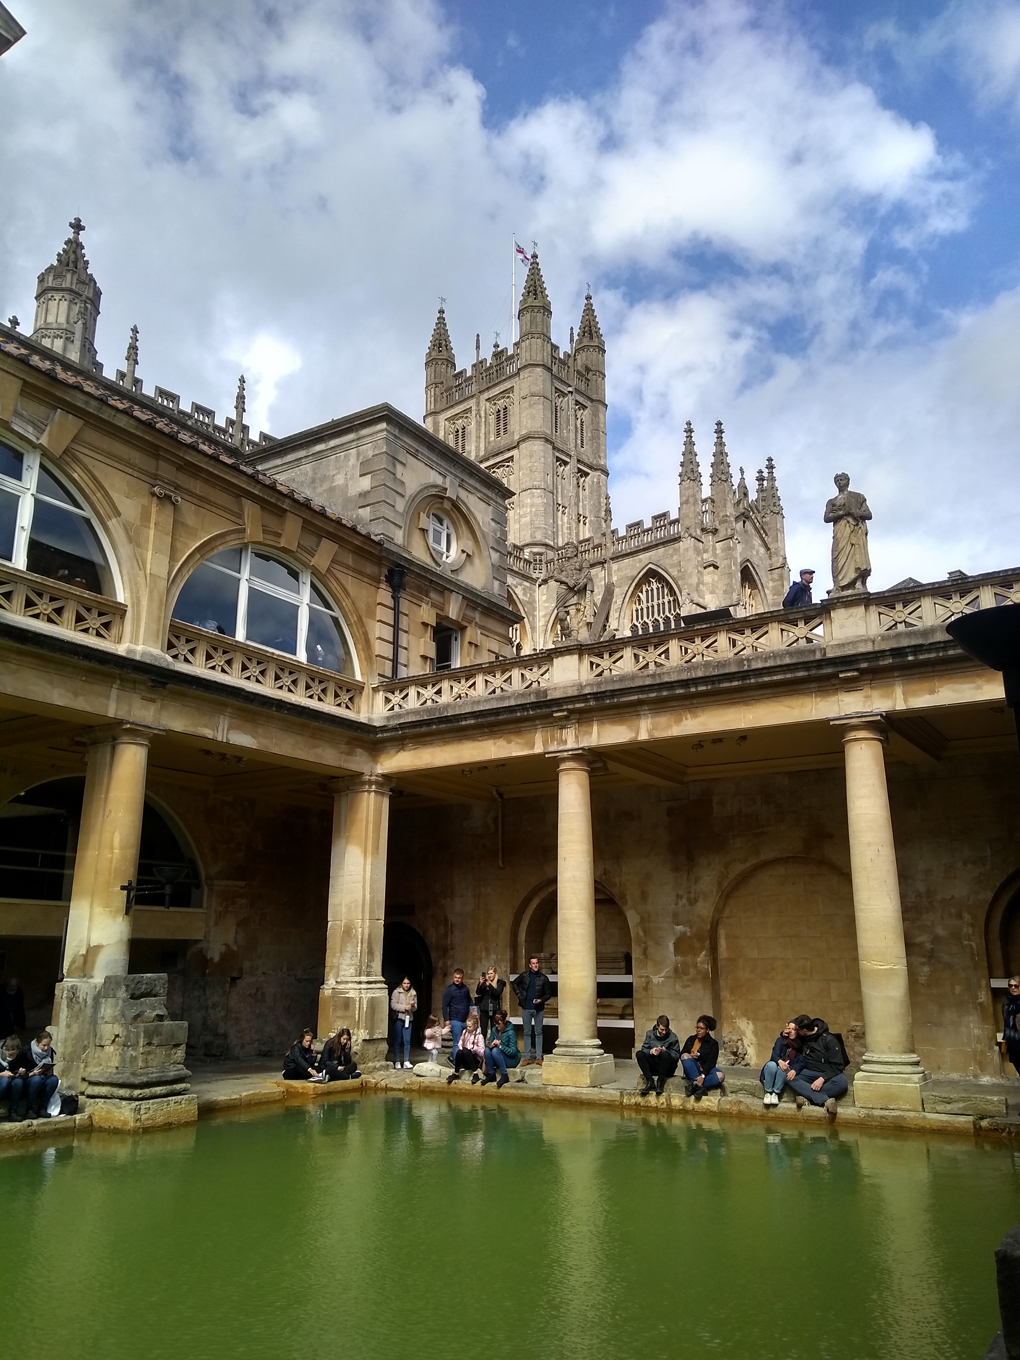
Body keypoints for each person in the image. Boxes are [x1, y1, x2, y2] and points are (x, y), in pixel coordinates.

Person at [787, 1015, 848, 1118]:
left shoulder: (829, 1040)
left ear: (805, 1030)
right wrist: (784, 1034)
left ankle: (807, 1096)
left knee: (842, 1082)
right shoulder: (802, 1037)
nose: (796, 1032)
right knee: (790, 1078)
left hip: (827, 1074)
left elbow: (838, 1066)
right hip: (808, 1072)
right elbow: (787, 1040)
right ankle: (824, 1100)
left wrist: (822, 1078)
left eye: (798, 1030)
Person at [512, 955, 552, 1066]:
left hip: (538, 1009)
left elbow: (548, 993)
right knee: (527, 1032)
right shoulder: (524, 976)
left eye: (537, 963)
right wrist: (519, 994)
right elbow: (514, 983)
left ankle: (539, 1057)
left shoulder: (544, 978)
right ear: (530, 965)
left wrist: (541, 1000)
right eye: (533, 963)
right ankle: (528, 1058)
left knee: (539, 1032)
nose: (535, 965)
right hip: (526, 1008)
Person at [680, 1015, 725, 1100]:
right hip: (693, 1068)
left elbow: (711, 1062)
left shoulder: (713, 1043)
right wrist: (691, 1055)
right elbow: (682, 1054)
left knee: (720, 1076)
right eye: (697, 1028)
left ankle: (695, 1086)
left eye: (701, 1028)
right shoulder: (691, 1039)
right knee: (685, 1056)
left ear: (707, 1030)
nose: (698, 1030)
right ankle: (699, 1086)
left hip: (706, 1069)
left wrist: (703, 1076)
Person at [760, 1020, 804, 1107]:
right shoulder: (780, 1040)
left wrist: (794, 1070)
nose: (791, 1031)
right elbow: (774, 1055)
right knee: (771, 1065)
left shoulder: (801, 1046)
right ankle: (768, 1092)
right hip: (774, 1067)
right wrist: (779, 1061)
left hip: (786, 1070)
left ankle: (776, 1093)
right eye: (789, 1028)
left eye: (794, 1029)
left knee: (783, 1069)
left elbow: (801, 1062)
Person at [636, 1015, 681, 1096]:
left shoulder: (673, 1037)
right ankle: (650, 1081)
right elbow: (644, 1049)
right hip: (654, 1065)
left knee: (665, 1054)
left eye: (666, 1030)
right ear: (657, 1026)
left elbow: (677, 1055)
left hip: (666, 1067)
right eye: (662, 1030)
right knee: (639, 1054)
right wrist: (651, 1051)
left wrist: (665, 1051)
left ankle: (660, 1082)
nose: (664, 1032)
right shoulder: (649, 1034)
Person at [23, 1030, 58, 1119]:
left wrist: (47, 1070)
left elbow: (50, 1071)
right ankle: (29, 1108)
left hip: (43, 1076)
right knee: (36, 1079)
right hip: (28, 1078)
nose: (46, 1048)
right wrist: (32, 1073)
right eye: (43, 1045)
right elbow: (20, 1070)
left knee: (54, 1079)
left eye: (48, 1045)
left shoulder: (50, 1052)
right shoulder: (27, 1051)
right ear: (37, 1043)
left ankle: (43, 1107)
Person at [442, 969, 473, 1066]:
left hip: (464, 1020)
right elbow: (444, 1005)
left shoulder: (465, 989)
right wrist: (446, 1020)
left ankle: (452, 1057)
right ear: (453, 977)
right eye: (455, 977)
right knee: (457, 1042)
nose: (457, 979)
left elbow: (470, 1001)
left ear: (462, 978)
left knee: (464, 1042)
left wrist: (475, 1012)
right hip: (455, 1020)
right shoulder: (449, 990)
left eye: (459, 978)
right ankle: (456, 1063)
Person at [482, 1010, 520, 1088]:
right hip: (497, 1056)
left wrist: (500, 1046)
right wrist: (490, 1044)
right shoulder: (494, 1030)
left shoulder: (510, 1033)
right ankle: (491, 1074)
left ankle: (504, 1075)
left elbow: (513, 1052)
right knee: (487, 1050)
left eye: (499, 1024)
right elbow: (489, 1041)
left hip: (511, 1059)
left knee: (496, 1051)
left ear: (504, 1022)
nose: (497, 1026)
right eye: (495, 1024)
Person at [447, 1013, 485, 1084]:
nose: (468, 1028)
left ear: (475, 1026)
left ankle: (475, 1073)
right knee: (460, 1052)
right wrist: (460, 1046)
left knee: (465, 1051)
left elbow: (482, 1052)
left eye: (470, 1027)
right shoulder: (465, 1032)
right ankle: (456, 1073)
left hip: (475, 1060)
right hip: (466, 1058)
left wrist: (474, 1048)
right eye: (467, 1026)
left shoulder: (479, 1036)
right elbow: (461, 1041)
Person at [391, 976, 417, 1070]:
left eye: (408, 983)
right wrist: (404, 1008)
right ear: (401, 983)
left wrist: (413, 1006)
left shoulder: (413, 993)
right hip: (399, 1018)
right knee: (398, 1040)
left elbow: (415, 1008)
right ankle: (397, 1060)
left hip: (408, 1019)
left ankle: (406, 1060)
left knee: (407, 1040)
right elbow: (393, 1005)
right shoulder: (397, 992)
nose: (406, 985)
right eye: (405, 983)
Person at [0, 1034, 28, 1120]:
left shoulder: (20, 1057)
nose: (8, 1054)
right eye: (6, 1050)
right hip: (2, 1083)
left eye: (12, 1053)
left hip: (12, 1082)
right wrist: (1, 1074)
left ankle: (13, 1111)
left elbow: (24, 1069)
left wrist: (22, 1072)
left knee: (18, 1082)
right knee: (4, 1080)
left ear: (17, 1051)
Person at [475, 966, 506, 1037]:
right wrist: (480, 984)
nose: (490, 975)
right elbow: (478, 992)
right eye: (488, 973)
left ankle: (493, 1046)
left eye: (491, 973)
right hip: (484, 1009)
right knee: (483, 1030)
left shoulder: (500, 983)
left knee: (494, 1030)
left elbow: (497, 993)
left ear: (495, 974)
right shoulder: (485, 983)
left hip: (494, 1009)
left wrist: (490, 985)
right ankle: (482, 1046)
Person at [1003, 978, 1020, 1078]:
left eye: (1016, 986)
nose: (1013, 988)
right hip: (1012, 1040)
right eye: (1010, 985)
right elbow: (1006, 1021)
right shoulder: (1006, 1003)